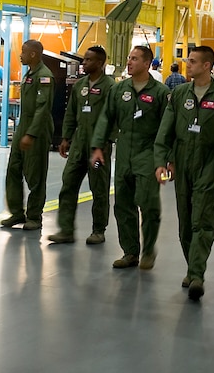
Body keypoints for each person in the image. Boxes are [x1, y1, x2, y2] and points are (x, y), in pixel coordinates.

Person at [154, 46, 214, 300]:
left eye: (192, 61)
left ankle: (197, 274)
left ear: (207, 66)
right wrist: (163, 161)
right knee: (185, 222)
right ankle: (192, 266)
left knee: (203, 219)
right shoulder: (178, 94)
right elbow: (165, 131)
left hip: (210, 163)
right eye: (188, 61)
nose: (187, 65)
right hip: (181, 162)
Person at [91, 46, 170, 269]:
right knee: (123, 204)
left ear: (147, 64)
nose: (129, 62)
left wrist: (164, 159)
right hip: (124, 151)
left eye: (134, 59)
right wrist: (98, 146)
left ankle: (148, 250)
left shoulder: (160, 92)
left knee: (149, 204)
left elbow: (167, 127)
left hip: (148, 152)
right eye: (129, 58)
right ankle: (130, 252)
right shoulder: (119, 90)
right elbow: (106, 118)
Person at [48, 46, 115, 245]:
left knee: (99, 189)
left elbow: (113, 118)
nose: (84, 63)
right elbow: (71, 113)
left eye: (88, 60)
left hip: (98, 150)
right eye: (84, 59)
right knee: (68, 184)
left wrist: (104, 144)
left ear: (100, 63)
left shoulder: (110, 87)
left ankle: (98, 230)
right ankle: (66, 230)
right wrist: (66, 137)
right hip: (78, 146)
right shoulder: (79, 86)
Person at [0, 40, 55, 231]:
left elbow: (43, 108)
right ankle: (16, 213)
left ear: (33, 54)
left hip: (37, 130)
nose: (20, 55)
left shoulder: (44, 76)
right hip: (23, 126)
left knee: (35, 175)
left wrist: (31, 134)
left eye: (23, 52)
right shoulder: (29, 74)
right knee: (13, 169)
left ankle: (34, 216)